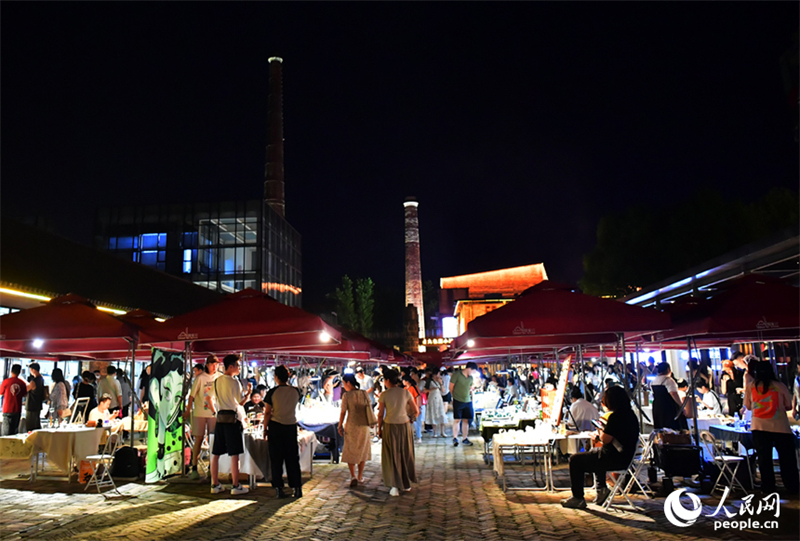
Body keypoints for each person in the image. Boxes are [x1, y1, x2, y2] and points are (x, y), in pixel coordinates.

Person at [561, 386, 640, 509]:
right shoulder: (631, 415)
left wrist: (600, 430)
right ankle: (601, 489)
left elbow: (605, 439)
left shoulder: (615, 417)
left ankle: (578, 497)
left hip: (614, 458)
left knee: (575, 460)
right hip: (625, 457)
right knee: (594, 452)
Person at [743, 360, 799, 495]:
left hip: (759, 427)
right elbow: (788, 406)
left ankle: (768, 488)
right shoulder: (780, 386)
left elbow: (748, 406)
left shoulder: (751, 386)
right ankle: (792, 487)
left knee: (764, 459)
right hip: (780, 427)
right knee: (787, 459)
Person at [210, 355, 249, 495]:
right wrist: (248, 394)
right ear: (231, 366)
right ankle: (235, 485)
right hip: (233, 420)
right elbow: (239, 402)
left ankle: (215, 484)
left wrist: (215, 412)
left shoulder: (217, 381)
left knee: (215, 454)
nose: (239, 368)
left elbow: (209, 397)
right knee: (234, 454)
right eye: (237, 365)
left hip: (220, 419)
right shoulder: (235, 382)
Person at [263, 365, 303, 498]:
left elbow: (267, 412)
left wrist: (264, 428)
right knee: (292, 458)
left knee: (276, 459)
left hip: (276, 426)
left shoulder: (272, 392)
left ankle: (279, 488)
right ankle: (297, 487)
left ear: (276, 377)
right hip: (291, 426)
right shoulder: (295, 391)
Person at [378, 368, 418, 496]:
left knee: (391, 455)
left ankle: (394, 485)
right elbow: (416, 410)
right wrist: (411, 418)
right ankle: (406, 484)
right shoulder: (405, 393)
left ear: (388, 380)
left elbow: (380, 415)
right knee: (405, 453)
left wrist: (379, 429)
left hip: (390, 425)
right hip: (404, 425)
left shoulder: (384, 395)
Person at [185, 355, 220, 480]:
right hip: (199, 412)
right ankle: (194, 467)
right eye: (212, 364)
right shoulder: (200, 378)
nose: (214, 366)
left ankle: (212, 467)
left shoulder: (219, 377)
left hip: (214, 413)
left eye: (216, 364)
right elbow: (192, 395)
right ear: (207, 364)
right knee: (198, 439)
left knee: (213, 440)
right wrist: (188, 410)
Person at [338, 374, 372, 487]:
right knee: (363, 449)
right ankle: (360, 476)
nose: (343, 385)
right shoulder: (364, 393)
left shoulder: (346, 396)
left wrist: (339, 425)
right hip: (363, 425)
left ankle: (353, 476)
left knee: (350, 449)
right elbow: (369, 408)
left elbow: (343, 411)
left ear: (348, 383)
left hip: (351, 424)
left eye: (343, 383)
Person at [650, 362, 688, 430]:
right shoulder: (668, 380)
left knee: (660, 427)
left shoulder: (654, 380)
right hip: (668, 406)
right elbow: (674, 394)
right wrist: (681, 406)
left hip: (657, 406)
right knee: (671, 427)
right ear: (668, 369)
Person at [449, 362, 478, 447]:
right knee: (457, 419)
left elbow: (470, 388)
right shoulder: (456, 375)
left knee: (466, 420)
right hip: (458, 400)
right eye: (473, 371)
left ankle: (465, 438)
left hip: (467, 401)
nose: (473, 373)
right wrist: (453, 397)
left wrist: (472, 397)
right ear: (469, 369)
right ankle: (455, 438)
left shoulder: (470, 378)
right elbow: (451, 387)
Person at [1, 365, 27, 436]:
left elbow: (1, 392)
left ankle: (5, 446)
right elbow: (25, 394)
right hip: (17, 409)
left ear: (11, 371)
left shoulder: (6, 382)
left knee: (5, 433)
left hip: (7, 409)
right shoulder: (22, 383)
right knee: (14, 432)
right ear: (19, 372)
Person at [421, 369, 447, 437]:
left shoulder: (440, 380)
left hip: (439, 399)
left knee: (442, 414)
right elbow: (425, 390)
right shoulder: (429, 380)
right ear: (435, 374)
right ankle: (435, 432)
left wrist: (441, 384)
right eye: (438, 374)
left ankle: (442, 432)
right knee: (433, 414)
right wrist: (432, 389)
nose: (439, 375)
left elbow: (443, 390)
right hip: (432, 399)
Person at [25, 362, 46, 431]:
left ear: (33, 370)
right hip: (38, 405)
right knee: (36, 425)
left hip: (31, 406)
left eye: (30, 369)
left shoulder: (34, 381)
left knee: (30, 426)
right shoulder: (41, 379)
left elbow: (26, 389)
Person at [403, 374, 423, 444]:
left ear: (406, 381)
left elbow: (418, 397)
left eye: (403, 380)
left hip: (414, 408)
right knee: (410, 423)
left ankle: (419, 437)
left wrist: (418, 407)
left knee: (417, 423)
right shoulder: (405, 389)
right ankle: (410, 437)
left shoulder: (413, 388)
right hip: (408, 409)